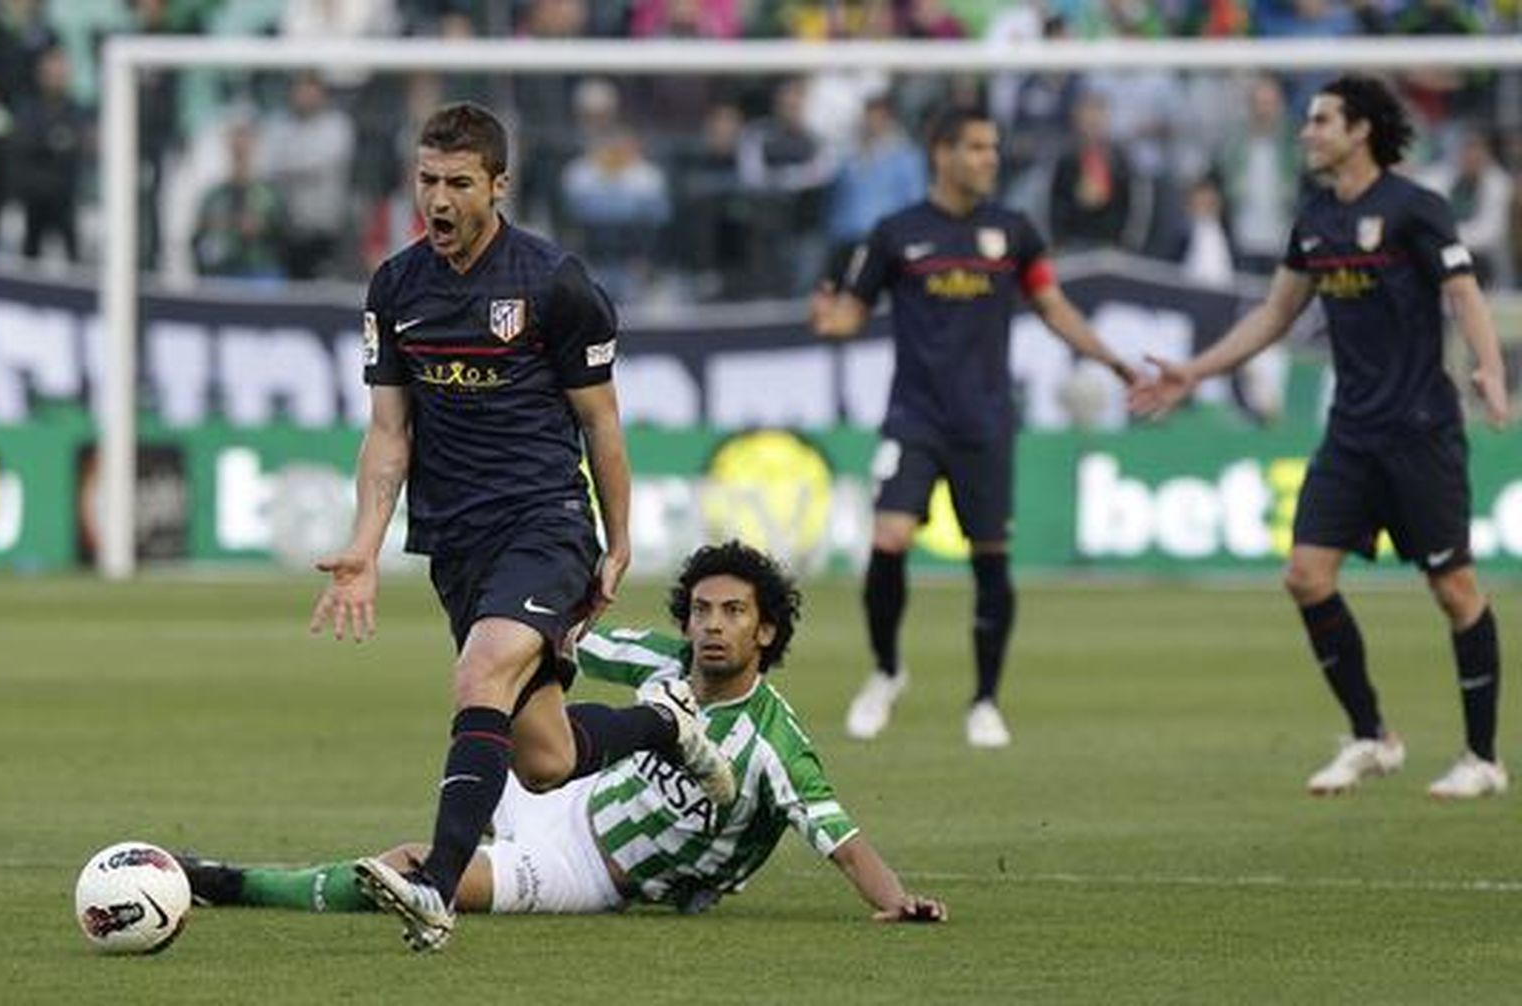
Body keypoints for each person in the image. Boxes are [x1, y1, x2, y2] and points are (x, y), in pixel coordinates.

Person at [308, 101, 735, 953]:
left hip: (546, 525)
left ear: (498, 185)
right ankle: (665, 726)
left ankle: (437, 887)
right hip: (455, 544)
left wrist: (619, 540)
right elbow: (389, 433)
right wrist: (364, 546)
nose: (438, 199)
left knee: (479, 676)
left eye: (459, 183)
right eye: (427, 180)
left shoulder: (553, 283)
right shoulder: (395, 287)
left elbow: (601, 424)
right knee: (543, 759)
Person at [193, 542, 947, 925]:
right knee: (514, 691)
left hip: (583, 870)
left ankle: (226, 882)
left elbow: (843, 842)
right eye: (702, 610)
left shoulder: (773, 744)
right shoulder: (664, 660)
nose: (713, 627)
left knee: (411, 871)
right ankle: (659, 731)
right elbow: (567, 641)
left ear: (768, 630)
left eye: (734, 613)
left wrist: (898, 900)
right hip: (566, 790)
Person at [1130, 75, 1510, 800]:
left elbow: (1462, 292)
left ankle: (1482, 758)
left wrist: (1490, 369)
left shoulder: (1416, 208)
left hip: (1420, 432)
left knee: (1454, 589)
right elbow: (1275, 314)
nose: (1307, 132)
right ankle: (1372, 737)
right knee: (1305, 575)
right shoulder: (1314, 219)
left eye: (1322, 121)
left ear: (1360, 130)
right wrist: (1195, 372)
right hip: (1351, 435)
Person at [809, 105, 1138, 749]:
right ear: (943, 152)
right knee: (888, 538)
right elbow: (849, 315)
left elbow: (1053, 306)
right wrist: (826, 319)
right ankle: (886, 671)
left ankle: (985, 700)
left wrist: (1114, 361)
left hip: (985, 423)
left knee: (990, 555)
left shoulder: (1012, 232)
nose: (991, 158)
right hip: (914, 419)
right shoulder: (896, 234)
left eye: (993, 147)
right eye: (979, 147)